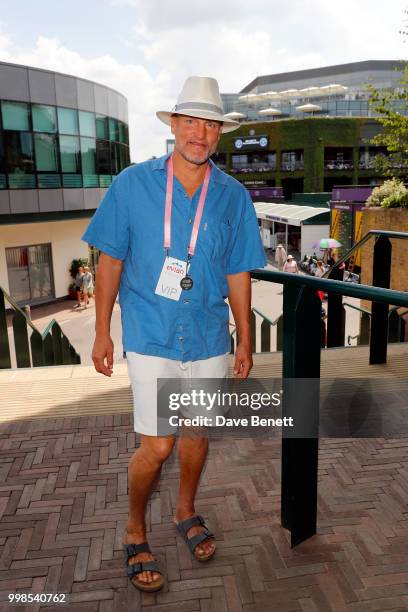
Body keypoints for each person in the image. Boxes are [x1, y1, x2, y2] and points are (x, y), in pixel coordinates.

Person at [81, 75, 266, 593]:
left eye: (211, 124)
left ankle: (185, 509)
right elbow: (110, 259)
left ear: (219, 134)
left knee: (198, 434)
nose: (200, 133)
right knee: (158, 446)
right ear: (175, 125)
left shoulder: (232, 196)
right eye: (192, 121)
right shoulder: (132, 185)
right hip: (151, 332)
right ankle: (135, 527)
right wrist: (101, 333)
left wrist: (245, 340)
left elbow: (238, 272)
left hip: (208, 335)